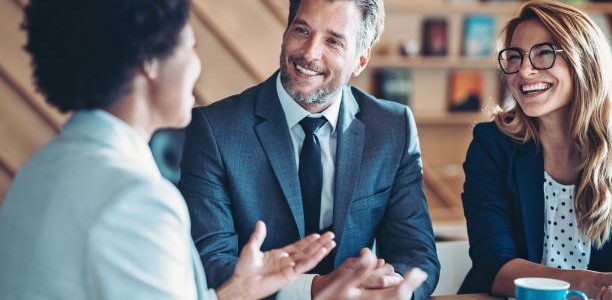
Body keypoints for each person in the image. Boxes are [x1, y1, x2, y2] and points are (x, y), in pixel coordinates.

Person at [0, 1, 337, 299]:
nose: (195, 65)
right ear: (149, 61)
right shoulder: (136, 201)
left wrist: (235, 292)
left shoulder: (40, 168)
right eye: (190, 45)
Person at [179, 0, 440, 299]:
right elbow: (208, 262)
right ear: (285, 32)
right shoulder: (215, 129)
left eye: (333, 41)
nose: (309, 53)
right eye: (302, 30)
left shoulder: (393, 127)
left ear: (360, 60)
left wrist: (389, 290)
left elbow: (417, 254)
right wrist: (315, 289)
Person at [459, 1, 612, 299]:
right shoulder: (492, 144)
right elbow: (493, 265)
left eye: (543, 54)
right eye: (515, 57)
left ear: (585, 61)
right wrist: (589, 283)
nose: (524, 71)